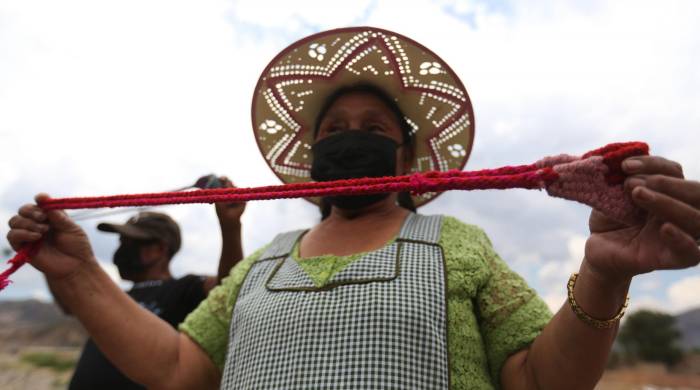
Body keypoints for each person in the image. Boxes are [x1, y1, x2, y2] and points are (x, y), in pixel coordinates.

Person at [6, 27, 700, 390]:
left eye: (372, 129)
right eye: (332, 134)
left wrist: (605, 272)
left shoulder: (456, 244)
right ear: (309, 160)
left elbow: (540, 381)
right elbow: (178, 372)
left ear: (404, 156)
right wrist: (78, 274)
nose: (350, 142)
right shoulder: (263, 264)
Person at [46, 177, 246, 390]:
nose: (121, 251)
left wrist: (230, 227)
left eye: (130, 243)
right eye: (121, 242)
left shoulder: (183, 289)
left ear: (160, 249)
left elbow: (228, 287)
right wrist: (50, 260)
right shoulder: (117, 296)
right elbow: (69, 305)